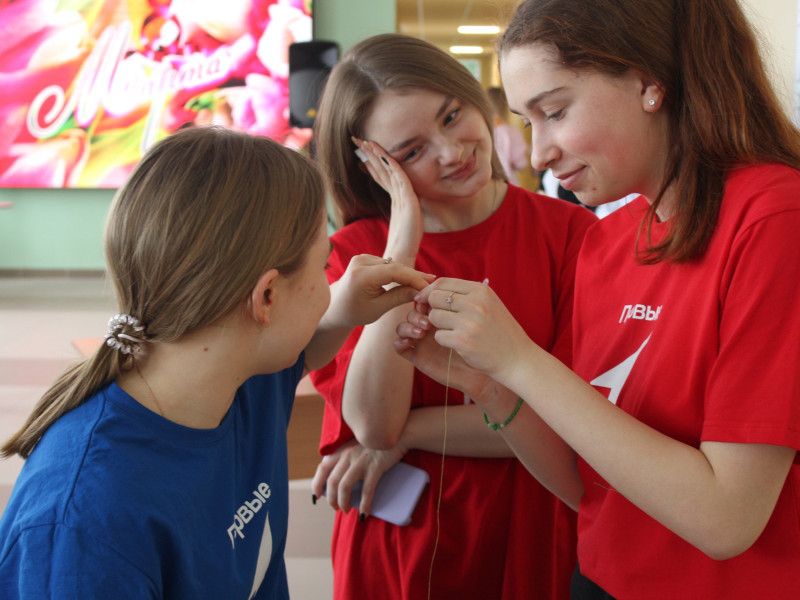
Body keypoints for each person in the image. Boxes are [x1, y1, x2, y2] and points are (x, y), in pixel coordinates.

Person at [396, 1, 800, 598]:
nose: (539, 156)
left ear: (648, 82)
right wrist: (490, 383)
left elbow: (726, 518)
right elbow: (589, 487)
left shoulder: (774, 219)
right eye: (528, 122)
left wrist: (522, 360)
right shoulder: (607, 244)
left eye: (555, 112)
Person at [0, 126, 433, 599]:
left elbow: (312, 342)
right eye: (325, 264)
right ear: (267, 296)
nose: (332, 286)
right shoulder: (84, 522)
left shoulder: (242, 375)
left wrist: (372, 278)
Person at [308, 33, 597, 600]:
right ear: (374, 167)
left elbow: (571, 419)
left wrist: (405, 436)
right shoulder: (350, 258)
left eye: (452, 116)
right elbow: (373, 423)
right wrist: (402, 250)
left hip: (534, 519)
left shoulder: (573, 236)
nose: (451, 151)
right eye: (411, 151)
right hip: (402, 541)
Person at [486, 86, 530, 187]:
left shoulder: (481, 131)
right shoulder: (511, 132)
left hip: (487, 186)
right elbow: (521, 164)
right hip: (508, 185)